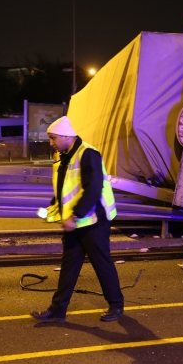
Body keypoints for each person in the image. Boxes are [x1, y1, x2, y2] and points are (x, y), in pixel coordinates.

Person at [31, 116, 124, 323]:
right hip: (77, 220)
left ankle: (116, 305)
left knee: (102, 263)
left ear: (66, 136)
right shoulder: (63, 156)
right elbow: (64, 189)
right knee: (69, 265)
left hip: (94, 220)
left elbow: (93, 188)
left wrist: (74, 216)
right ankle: (57, 309)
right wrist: (52, 210)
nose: (51, 143)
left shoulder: (88, 153)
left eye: (53, 138)